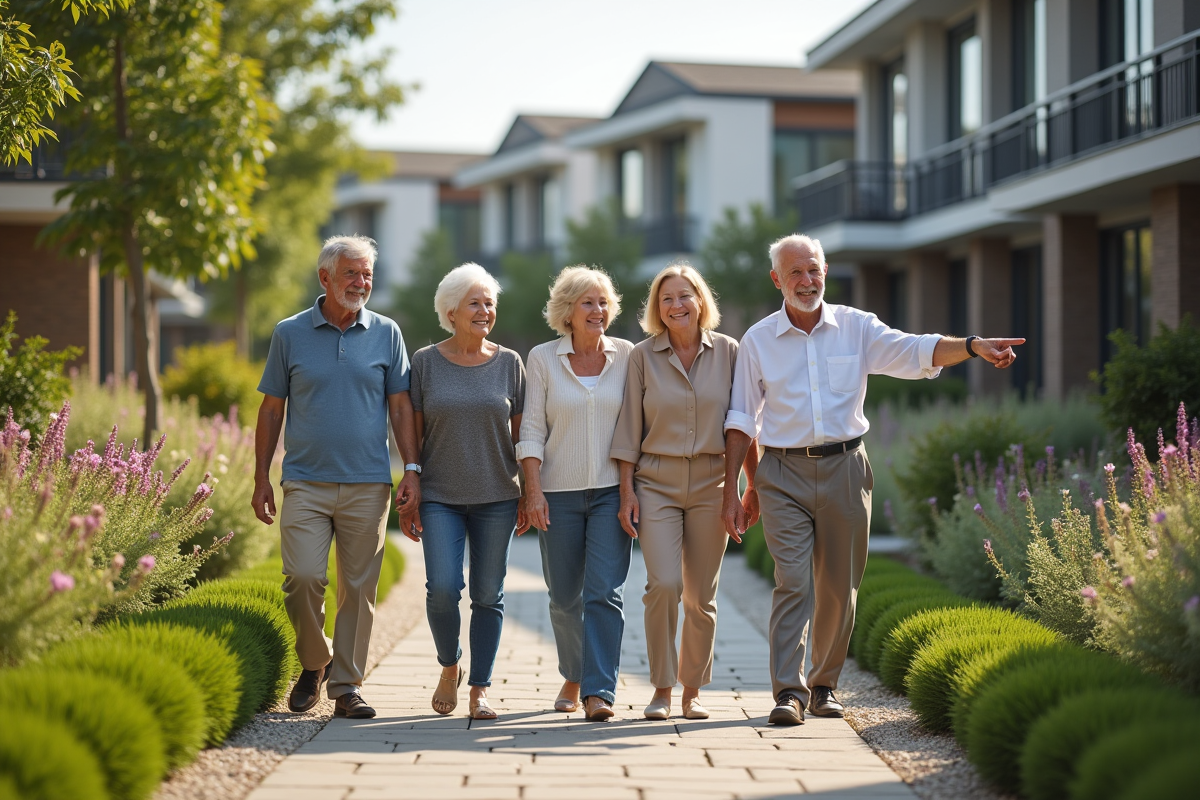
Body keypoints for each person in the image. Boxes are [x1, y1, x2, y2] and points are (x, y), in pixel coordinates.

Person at [721, 234, 1024, 726]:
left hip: (845, 468)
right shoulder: (757, 340)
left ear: (825, 271)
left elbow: (915, 350)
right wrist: (737, 489)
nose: (807, 280)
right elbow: (741, 420)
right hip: (781, 472)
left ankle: (823, 686)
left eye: (814, 269)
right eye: (795, 272)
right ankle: (788, 693)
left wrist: (972, 346)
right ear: (777, 279)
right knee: (793, 580)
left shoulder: (856, 328)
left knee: (840, 586)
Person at [252, 234, 421, 720]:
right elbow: (270, 409)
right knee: (303, 577)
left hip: (369, 482)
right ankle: (315, 661)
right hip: (304, 480)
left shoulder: (387, 333)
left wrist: (411, 468)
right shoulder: (289, 333)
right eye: (352, 273)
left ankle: (346, 687)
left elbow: (401, 405)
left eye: (367, 274)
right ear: (325, 277)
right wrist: (262, 478)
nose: (362, 282)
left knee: (358, 589)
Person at [611, 263, 759, 721]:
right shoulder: (642, 356)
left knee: (700, 593)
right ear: (657, 308)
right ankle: (661, 688)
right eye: (666, 298)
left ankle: (692, 689)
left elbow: (743, 423)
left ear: (700, 301)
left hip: (714, 482)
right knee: (663, 585)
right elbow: (628, 431)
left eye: (684, 296)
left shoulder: (730, 352)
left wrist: (748, 485)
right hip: (655, 482)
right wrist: (626, 493)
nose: (676, 305)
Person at [402, 263, 527, 721]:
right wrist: (411, 479)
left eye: (490, 303)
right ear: (450, 311)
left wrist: (530, 492)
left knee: (489, 595)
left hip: (498, 495)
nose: (485, 310)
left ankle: (479, 688)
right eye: (475, 303)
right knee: (441, 589)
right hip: (440, 496)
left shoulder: (511, 363)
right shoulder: (425, 362)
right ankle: (450, 664)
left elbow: (524, 436)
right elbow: (411, 433)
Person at [518, 266, 635, 721]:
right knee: (564, 596)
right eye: (588, 302)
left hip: (611, 492)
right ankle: (574, 671)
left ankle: (599, 691)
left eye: (604, 302)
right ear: (567, 311)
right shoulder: (543, 358)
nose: (598, 311)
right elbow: (531, 427)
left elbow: (635, 425)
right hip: (558, 494)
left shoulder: (627, 355)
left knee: (603, 592)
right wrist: (533, 491)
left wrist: (630, 489)